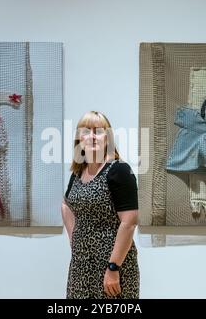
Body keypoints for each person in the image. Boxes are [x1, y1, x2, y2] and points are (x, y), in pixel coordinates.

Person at [61, 111, 140, 299]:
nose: (92, 136)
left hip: (112, 267)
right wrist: (75, 241)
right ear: (79, 138)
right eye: (87, 131)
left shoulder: (119, 170)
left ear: (109, 138)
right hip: (81, 266)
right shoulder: (77, 173)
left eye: (99, 131)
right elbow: (66, 205)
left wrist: (113, 267)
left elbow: (129, 223)